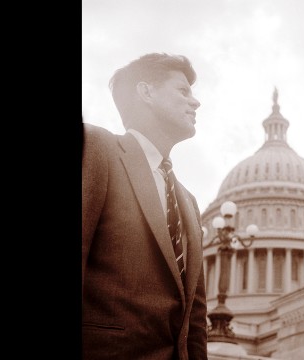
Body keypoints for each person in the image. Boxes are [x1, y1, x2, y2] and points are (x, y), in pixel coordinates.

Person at [82, 53, 208, 360]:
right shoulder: (96, 147)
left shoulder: (188, 202)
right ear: (146, 92)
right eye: (183, 90)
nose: (196, 102)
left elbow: (195, 317)